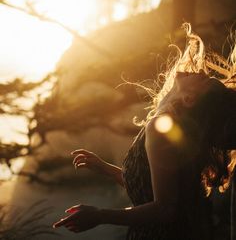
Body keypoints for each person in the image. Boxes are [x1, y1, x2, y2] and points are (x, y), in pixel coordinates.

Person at [53, 24, 236, 239]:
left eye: (204, 80)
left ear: (189, 99)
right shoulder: (166, 126)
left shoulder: (162, 128)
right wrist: (107, 169)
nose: (202, 71)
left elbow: (165, 209)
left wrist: (100, 216)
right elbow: (155, 187)